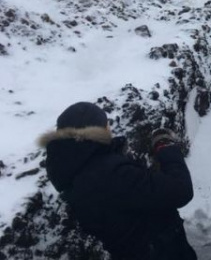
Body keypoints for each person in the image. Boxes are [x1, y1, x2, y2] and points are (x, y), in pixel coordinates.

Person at [38, 102, 197, 260]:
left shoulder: (71, 171)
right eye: (106, 124)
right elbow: (180, 189)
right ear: (97, 131)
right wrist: (166, 147)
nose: (110, 128)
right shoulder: (110, 174)